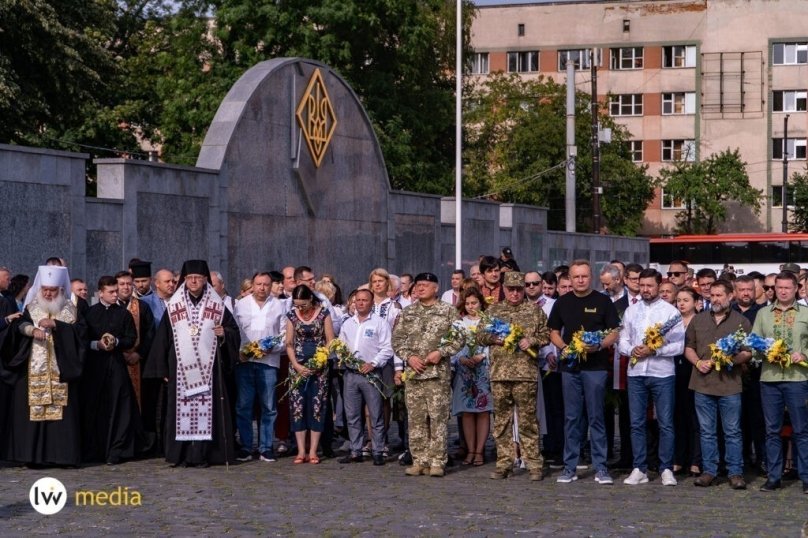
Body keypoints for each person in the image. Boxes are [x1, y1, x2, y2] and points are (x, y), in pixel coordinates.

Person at [144, 260, 240, 467]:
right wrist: (162, 368)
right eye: (189, 278)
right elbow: (163, 339)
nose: (193, 281)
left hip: (210, 371)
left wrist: (225, 334)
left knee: (209, 411)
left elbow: (233, 331)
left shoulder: (217, 306)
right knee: (181, 412)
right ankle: (183, 455)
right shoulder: (175, 306)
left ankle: (207, 455)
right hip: (180, 370)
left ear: (206, 280)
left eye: (198, 278)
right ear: (184, 280)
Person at [0, 265, 86, 466]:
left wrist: (58, 326)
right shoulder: (32, 307)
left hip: (61, 370)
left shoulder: (71, 310)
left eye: (52, 290)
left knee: (62, 412)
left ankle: (60, 456)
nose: (48, 293)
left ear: (61, 290)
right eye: (45, 289)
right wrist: (31, 330)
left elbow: (82, 335)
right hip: (32, 369)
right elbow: (18, 327)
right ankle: (31, 456)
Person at [548, 260, 620, 485]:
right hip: (570, 367)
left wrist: (599, 345)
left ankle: (601, 468)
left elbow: (614, 332)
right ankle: (570, 467)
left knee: (596, 416)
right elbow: (553, 332)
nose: (580, 280)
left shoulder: (602, 300)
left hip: (595, 367)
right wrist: (564, 347)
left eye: (584, 276)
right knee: (571, 418)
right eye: (576, 277)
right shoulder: (562, 302)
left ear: (591, 277)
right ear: (570, 278)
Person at [392, 272, 464, 477]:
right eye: (418, 285)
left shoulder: (448, 311)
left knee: (438, 419)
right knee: (415, 420)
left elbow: (459, 338)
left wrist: (441, 352)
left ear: (436, 288)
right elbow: (397, 340)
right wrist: (409, 357)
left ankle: (437, 461)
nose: (420, 288)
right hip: (414, 375)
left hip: (437, 375)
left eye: (425, 285)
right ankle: (419, 460)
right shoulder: (408, 312)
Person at [618, 268, 685, 486]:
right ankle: (640, 468)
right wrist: (632, 350)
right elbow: (623, 340)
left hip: (662, 373)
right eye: (642, 285)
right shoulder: (631, 311)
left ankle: (666, 468)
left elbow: (679, 345)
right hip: (636, 373)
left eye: (650, 286)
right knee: (636, 422)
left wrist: (655, 350)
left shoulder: (670, 313)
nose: (645, 289)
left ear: (659, 286)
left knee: (665, 422)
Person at [480, 272, 550, 481]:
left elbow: (547, 334)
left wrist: (532, 340)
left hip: (525, 374)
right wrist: (496, 339)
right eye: (510, 289)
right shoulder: (494, 310)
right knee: (501, 421)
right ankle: (504, 463)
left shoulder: (534, 310)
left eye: (518, 289)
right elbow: (480, 335)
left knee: (528, 420)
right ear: (505, 289)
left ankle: (534, 463)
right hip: (500, 373)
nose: (514, 293)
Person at [684, 280, 752, 489]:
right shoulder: (699, 320)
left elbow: (748, 352)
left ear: (730, 296)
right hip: (702, 384)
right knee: (706, 431)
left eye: (719, 295)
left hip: (729, 385)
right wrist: (697, 362)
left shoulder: (741, 321)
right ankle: (709, 471)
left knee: (732, 431)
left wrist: (731, 360)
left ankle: (735, 472)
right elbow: (688, 347)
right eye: (712, 295)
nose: (715, 299)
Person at [751, 271, 808, 493]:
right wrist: (764, 352)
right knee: (772, 430)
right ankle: (774, 477)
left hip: (797, 378)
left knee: (801, 429)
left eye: (788, 287)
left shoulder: (805, 313)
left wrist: (803, 354)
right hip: (770, 378)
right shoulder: (763, 314)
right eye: (779, 287)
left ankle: (805, 477)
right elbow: (754, 343)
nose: (783, 291)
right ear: (774, 288)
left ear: (796, 289)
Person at [81, 275, 140, 465]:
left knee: (119, 408)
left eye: (116, 291)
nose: (116, 295)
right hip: (94, 367)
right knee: (94, 407)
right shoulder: (89, 313)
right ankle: (94, 449)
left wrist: (117, 342)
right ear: (101, 293)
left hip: (116, 366)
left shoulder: (123, 314)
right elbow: (81, 340)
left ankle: (117, 450)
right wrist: (96, 344)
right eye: (111, 292)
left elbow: (131, 339)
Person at [233, 272, 286, 463]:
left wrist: (273, 347)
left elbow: (284, 334)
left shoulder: (279, 305)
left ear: (271, 286)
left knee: (268, 406)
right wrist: (239, 351)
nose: (262, 288)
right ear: (252, 285)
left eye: (265, 284)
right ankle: (246, 446)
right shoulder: (241, 305)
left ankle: (266, 447)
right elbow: (235, 331)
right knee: (244, 405)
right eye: (258, 284)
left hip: (269, 362)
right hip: (245, 362)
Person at [337, 288, 393, 466]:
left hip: (371, 373)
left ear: (371, 303)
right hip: (351, 374)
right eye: (357, 300)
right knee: (352, 415)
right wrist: (343, 357)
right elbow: (341, 345)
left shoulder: (379, 323)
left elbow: (387, 348)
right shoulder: (348, 323)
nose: (360, 303)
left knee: (375, 414)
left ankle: (377, 450)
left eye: (364, 300)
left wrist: (373, 363)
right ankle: (356, 450)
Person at [285, 284, 334, 465]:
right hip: (297, 366)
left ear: (311, 299)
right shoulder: (291, 315)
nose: (300, 308)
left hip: (319, 368)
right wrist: (296, 365)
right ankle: (301, 450)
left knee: (317, 406)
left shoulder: (323, 314)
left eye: (303, 305)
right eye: (297, 305)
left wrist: (320, 360)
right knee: (298, 407)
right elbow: (289, 343)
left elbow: (330, 340)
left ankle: (313, 450)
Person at [450, 288, 493, 467]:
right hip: (464, 370)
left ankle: (479, 450)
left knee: (482, 411)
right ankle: (469, 449)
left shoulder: (487, 322)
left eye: (474, 303)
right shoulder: (459, 323)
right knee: (467, 411)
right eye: (467, 303)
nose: (470, 306)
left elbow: (493, 342)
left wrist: (482, 356)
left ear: (481, 303)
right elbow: (451, 343)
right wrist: (459, 357)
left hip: (482, 369)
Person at [672, 287, 702, 477]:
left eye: (686, 300)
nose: (681, 304)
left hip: (696, 371)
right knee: (677, 416)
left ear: (696, 302)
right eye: (679, 300)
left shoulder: (701, 320)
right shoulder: (672, 321)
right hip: (675, 372)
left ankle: (696, 460)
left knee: (696, 419)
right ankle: (678, 458)